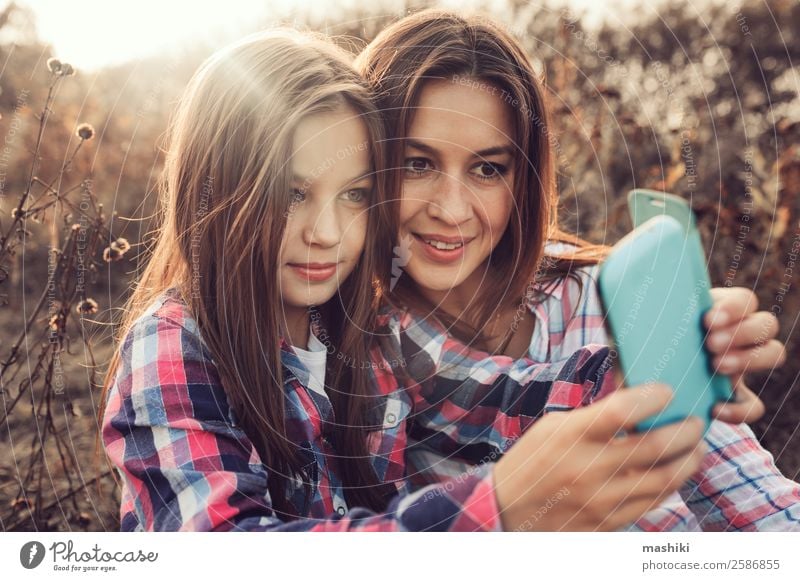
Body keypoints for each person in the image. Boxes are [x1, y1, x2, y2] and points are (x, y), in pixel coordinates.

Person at [98, 28, 706, 532]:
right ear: (215, 192)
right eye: (292, 195)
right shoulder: (176, 346)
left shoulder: (362, 324)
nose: (327, 233)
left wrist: (644, 370)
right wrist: (500, 507)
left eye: (356, 195)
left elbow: (489, 395)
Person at [356, 9, 800, 531]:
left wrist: (688, 362)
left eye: (487, 168)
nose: (451, 210)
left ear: (522, 180)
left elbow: (765, 513)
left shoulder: (604, 297)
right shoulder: (350, 349)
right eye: (417, 163)